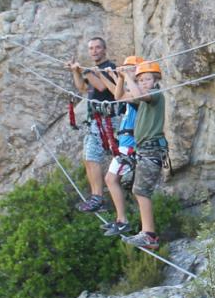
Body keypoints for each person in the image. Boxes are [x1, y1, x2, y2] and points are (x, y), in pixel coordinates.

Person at [106, 60, 168, 251]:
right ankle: (147, 233)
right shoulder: (142, 97)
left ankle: (149, 235)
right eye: (141, 80)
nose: (143, 83)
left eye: (147, 79)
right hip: (144, 150)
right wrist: (122, 78)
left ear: (156, 80)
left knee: (141, 191)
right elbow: (119, 96)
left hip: (151, 150)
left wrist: (132, 79)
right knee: (136, 189)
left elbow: (142, 95)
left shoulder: (156, 94)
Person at [66, 36, 125, 213]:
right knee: (88, 157)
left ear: (104, 49)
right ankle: (96, 197)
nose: (94, 51)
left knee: (93, 156)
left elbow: (101, 87)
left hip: (107, 118)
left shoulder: (109, 68)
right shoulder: (91, 70)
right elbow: (83, 89)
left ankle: (98, 198)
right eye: (91, 48)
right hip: (96, 119)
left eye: (97, 48)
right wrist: (76, 72)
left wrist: (86, 72)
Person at [102, 56, 143, 237]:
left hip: (130, 146)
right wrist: (117, 77)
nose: (126, 71)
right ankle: (121, 219)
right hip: (125, 145)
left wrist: (121, 76)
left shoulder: (140, 93)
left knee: (111, 180)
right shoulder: (132, 93)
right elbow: (117, 95)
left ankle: (122, 220)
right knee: (112, 180)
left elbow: (125, 96)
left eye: (130, 68)